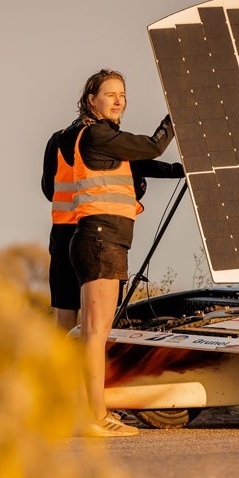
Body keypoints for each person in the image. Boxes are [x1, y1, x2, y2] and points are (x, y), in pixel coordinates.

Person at [65, 69, 174, 437]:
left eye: (122, 95)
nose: (118, 100)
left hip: (101, 240)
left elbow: (146, 162)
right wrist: (175, 117)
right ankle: (95, 417)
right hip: (100, 241)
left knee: (94, 333)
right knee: (96, 334)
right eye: (109, 94)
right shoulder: (96, 133)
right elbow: (151, 147)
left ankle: (93, 412)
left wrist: (185, 170)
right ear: (91, 100)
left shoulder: (106, 139)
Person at [41, 127, 183, 332]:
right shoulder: (106, 139)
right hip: (97, 232)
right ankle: (94, 361)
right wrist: (179, 170)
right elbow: (147, 164)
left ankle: (63, 363)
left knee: (65, 312)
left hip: (62, 235)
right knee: (100, 321)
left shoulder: (57, 139)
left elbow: (48, 189)